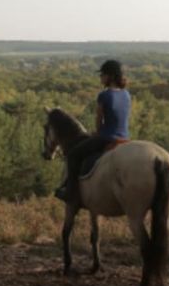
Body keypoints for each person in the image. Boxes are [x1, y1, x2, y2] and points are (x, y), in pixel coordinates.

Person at [55, 59, 131, 203]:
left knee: (72, 155)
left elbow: (99, 120)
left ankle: (70, 192)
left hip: (107, 138)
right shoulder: (126, 94)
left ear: (110, 76)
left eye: (102, 74)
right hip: (125, 137)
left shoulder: (104, 95)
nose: (100, 77)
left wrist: (97, 132)